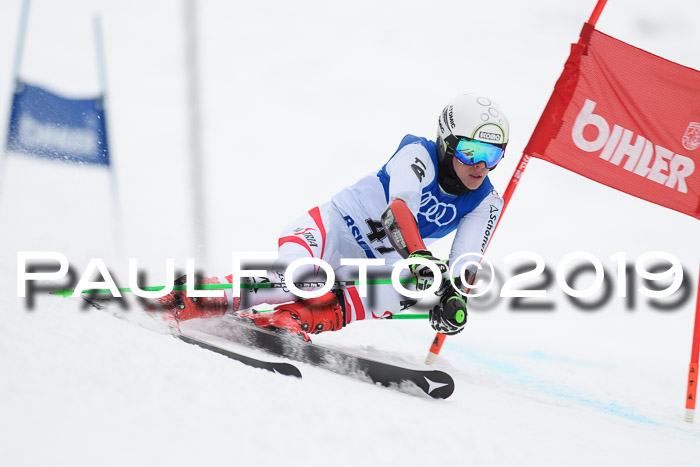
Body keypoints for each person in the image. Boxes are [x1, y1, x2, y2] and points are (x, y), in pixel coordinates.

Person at [155, 93, 508, 341]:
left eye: (492, 155)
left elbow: (465, 263)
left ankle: (295, 318)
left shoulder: (486, 200)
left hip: (371, 267)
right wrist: (418, 256)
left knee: (420, 284)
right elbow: (397, 212)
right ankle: (190, 299)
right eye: (471, 150)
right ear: (446, 143)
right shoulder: (417, 153)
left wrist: (453, 298)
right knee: (303, 279)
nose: (480, 165)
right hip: (330, 231)